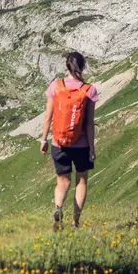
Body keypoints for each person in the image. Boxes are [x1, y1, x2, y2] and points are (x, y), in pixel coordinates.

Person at [39, 52, 99, 231]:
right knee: (81, 181)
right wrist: (91, 148)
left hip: (59, 143)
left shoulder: (55, 86)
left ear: (67, 66)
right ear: (83, 67)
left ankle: (58, 208)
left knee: (62, 181)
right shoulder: (89, 90)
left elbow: (48, 117)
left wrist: (43, 140)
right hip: (81, 146)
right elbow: (89, 122)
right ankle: (75, 222)